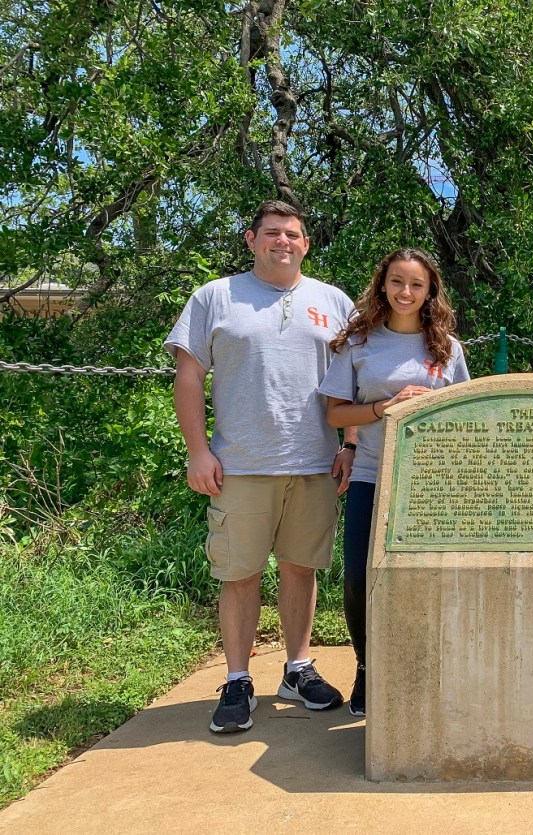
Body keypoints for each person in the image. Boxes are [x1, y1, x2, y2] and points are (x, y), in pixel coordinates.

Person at [166, 199, 356, 733]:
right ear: (251, 240)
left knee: (301, 568)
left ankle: (298, 669)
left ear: (306, 244)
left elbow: (353, 379)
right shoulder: (215, 297)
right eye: (272, 232)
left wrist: (350, 445)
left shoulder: (333, 301)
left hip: (315, 463)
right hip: (240, 464)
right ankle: (237, 680)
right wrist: (198, 451)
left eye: (292, 234)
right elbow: (188, 377)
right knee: (240, 573)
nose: (283, 241)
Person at [318, 247, 470, 717]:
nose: (406, 292)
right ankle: (367, 668)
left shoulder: (448, 348)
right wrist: (384, 407)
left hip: (430, 484)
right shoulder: (358, 343)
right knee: (360, 578)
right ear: (382, 285)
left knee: (428, 580)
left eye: (417, 284)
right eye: (397, 282)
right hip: (372, 473)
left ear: (430, 291)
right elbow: (335, 414)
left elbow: (465, 413)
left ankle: (427, 671)